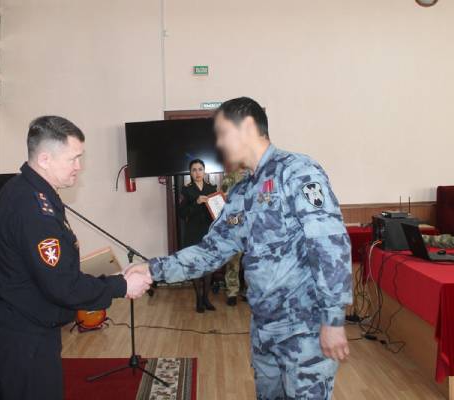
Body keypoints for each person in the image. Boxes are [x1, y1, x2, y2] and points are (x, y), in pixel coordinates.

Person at [126, 97, 352, 399]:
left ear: (247, 126)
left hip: (305, 329)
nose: (219, 143)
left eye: (222, 133)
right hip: (264, 329)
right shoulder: (242, 191)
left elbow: (330, 245)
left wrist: (333, 320)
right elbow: (211, 250)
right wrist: (152, 269)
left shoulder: (297, 171)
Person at [0, 116, 152, 400]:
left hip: (23, 324)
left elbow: (46, 270)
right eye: (73, 158)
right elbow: (62, 286)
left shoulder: (25, 190)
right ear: (45, 159)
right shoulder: (33, 209)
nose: (79, 167)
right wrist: (122, 285)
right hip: (25, 335)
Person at [178, 159, 218, 313]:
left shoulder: (211, 188)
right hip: (193, 233)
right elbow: (182, 213)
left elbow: (217, 211)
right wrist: (196, 202)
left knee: (208, 268)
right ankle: (199, 300)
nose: (197, 173)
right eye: (194, 170)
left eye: (200, 169)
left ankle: (206, 298)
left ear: (204, 171)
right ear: (190, 173)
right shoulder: (186, 190)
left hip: (209, 232)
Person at [220, 166, 248, 306]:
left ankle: (249, 291)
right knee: (233, 262)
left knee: (252, 262)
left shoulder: (260, 174)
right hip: (234, 225)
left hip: (253, 226)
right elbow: (223, 196)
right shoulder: (231, 176)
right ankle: (232, 292)